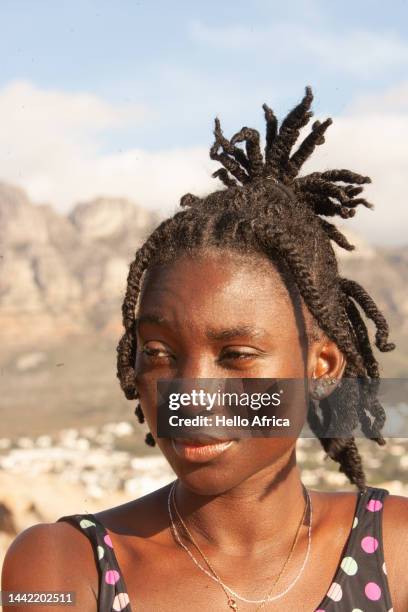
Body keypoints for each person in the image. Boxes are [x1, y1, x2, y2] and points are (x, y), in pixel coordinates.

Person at [2, 87, 407, 612]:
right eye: (158, 352)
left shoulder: (394, 550)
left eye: (236, 354)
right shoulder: (64, 567)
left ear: (322, 366)